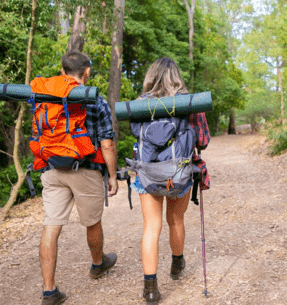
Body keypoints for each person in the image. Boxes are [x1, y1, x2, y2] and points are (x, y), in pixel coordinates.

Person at [38, 51, 119, 305]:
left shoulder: (45, 97)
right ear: (87, 72)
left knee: (51, 227)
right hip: (85, 169)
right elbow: (107, 143)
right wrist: (113, 175)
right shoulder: (96, 100)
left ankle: (49, 291)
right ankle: (98, 264)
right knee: (92, 221)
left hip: (51, 168)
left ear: (63, 72)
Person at [130, 58, 210, 304]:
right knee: (176, 220)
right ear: (177, 76)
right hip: (180, 173)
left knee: (151, 227)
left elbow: (136, 133)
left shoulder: (139, 105)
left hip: (148, 173)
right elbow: (203, 142)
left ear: (151, 77)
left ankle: (150, 289)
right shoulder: (190, 103)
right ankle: (177, 264)